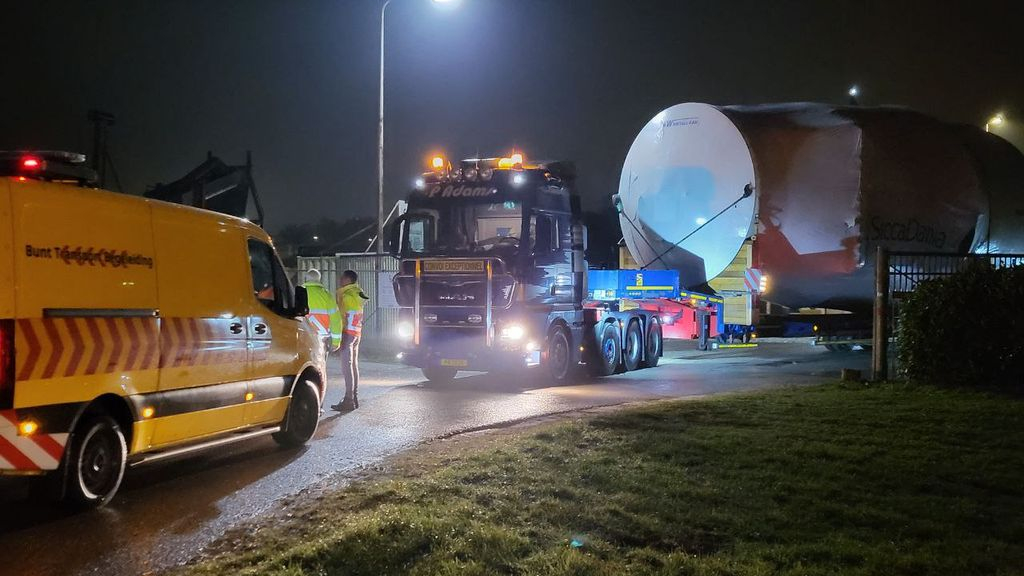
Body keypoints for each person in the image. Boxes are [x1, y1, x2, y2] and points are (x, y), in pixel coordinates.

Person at [331, 269, 369, 412]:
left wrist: (336, 335)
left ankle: (349, 400)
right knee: (353, 365)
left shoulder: (345, 295)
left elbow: (341, 316)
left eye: (342, 278)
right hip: (357, 332)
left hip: (347, 333)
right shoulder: (357, 293)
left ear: (347, 279)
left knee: (347, 367)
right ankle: (354, 397)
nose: (340, 280)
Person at [302, 269, 342, 355]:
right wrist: (336, 341)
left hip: (304, 337)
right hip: (322, 338)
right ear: (319, 279)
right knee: (320, 365)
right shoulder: (327, 295)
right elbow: (336, 320)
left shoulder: (300, 293)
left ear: (306, 279)